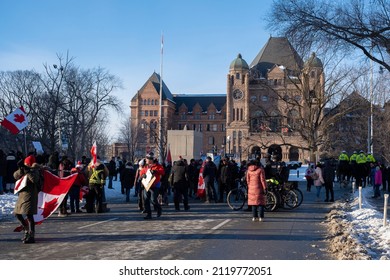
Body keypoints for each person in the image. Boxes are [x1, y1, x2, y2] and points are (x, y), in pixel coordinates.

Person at [13, 155, 42, 244]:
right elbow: (15, 176)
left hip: (30, 195)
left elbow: (34, 180)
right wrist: (21, 169)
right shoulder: (24, 169)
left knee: (29, 216)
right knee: (17, 214)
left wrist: (27, 170)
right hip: (22, 195)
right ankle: (26, 230)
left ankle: (31, 235)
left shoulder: (35, 170)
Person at [139, 153, 165, 219]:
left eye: (147, 159)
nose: (146, 160)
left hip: (155, 185)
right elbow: (141, 172)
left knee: (153, 199)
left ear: (151, 159)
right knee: (146, 200)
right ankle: (149, 214)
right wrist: (142, 176)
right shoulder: (146, 166)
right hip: (147, 185)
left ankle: (159, 209)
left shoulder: (157, 165)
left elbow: (162, 172)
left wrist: (155, 171)